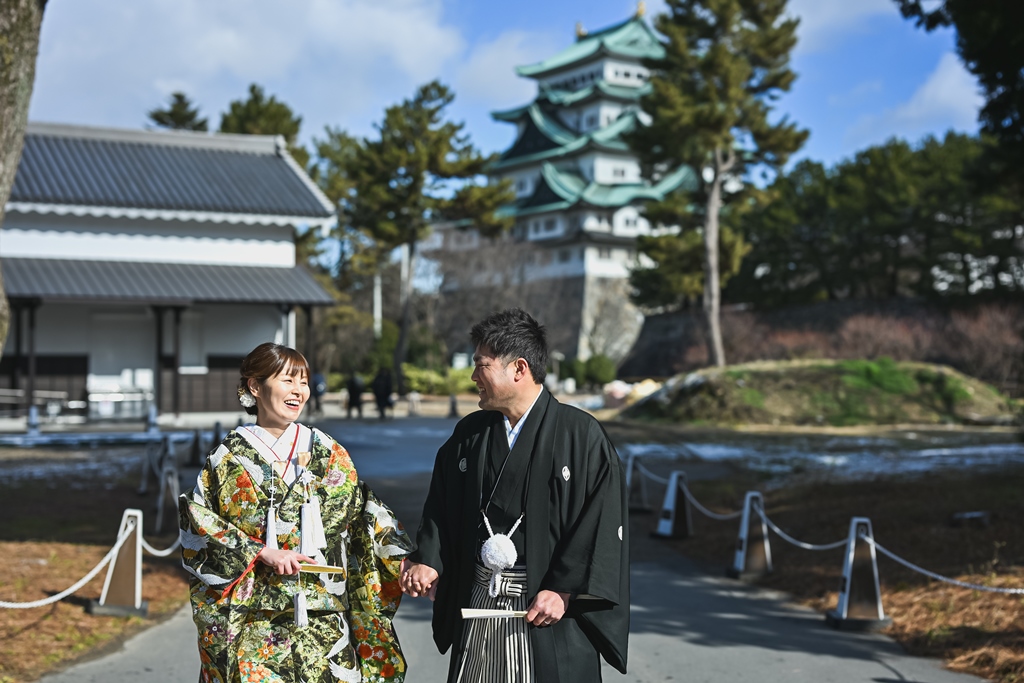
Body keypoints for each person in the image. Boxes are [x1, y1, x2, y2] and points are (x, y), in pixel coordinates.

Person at [400, 308, 629, 683]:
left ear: (519, 369)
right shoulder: (470, 434)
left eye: (482, 365)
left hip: (547, 605)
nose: (474, 376)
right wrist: (429, 558)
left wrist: (562, 589)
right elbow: (441, 505)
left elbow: (599, 524)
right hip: (481, 600)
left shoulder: (580, 435)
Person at [178, 342, 413, 683]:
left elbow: (364, 513)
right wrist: (260, 552)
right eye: (287, 380)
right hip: (254, 620)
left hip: (324, 617)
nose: (298, 390)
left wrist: (403, 560)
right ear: (255, 387)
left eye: (303, 381)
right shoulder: (226, 458)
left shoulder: (328, 451)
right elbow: (199, 523)